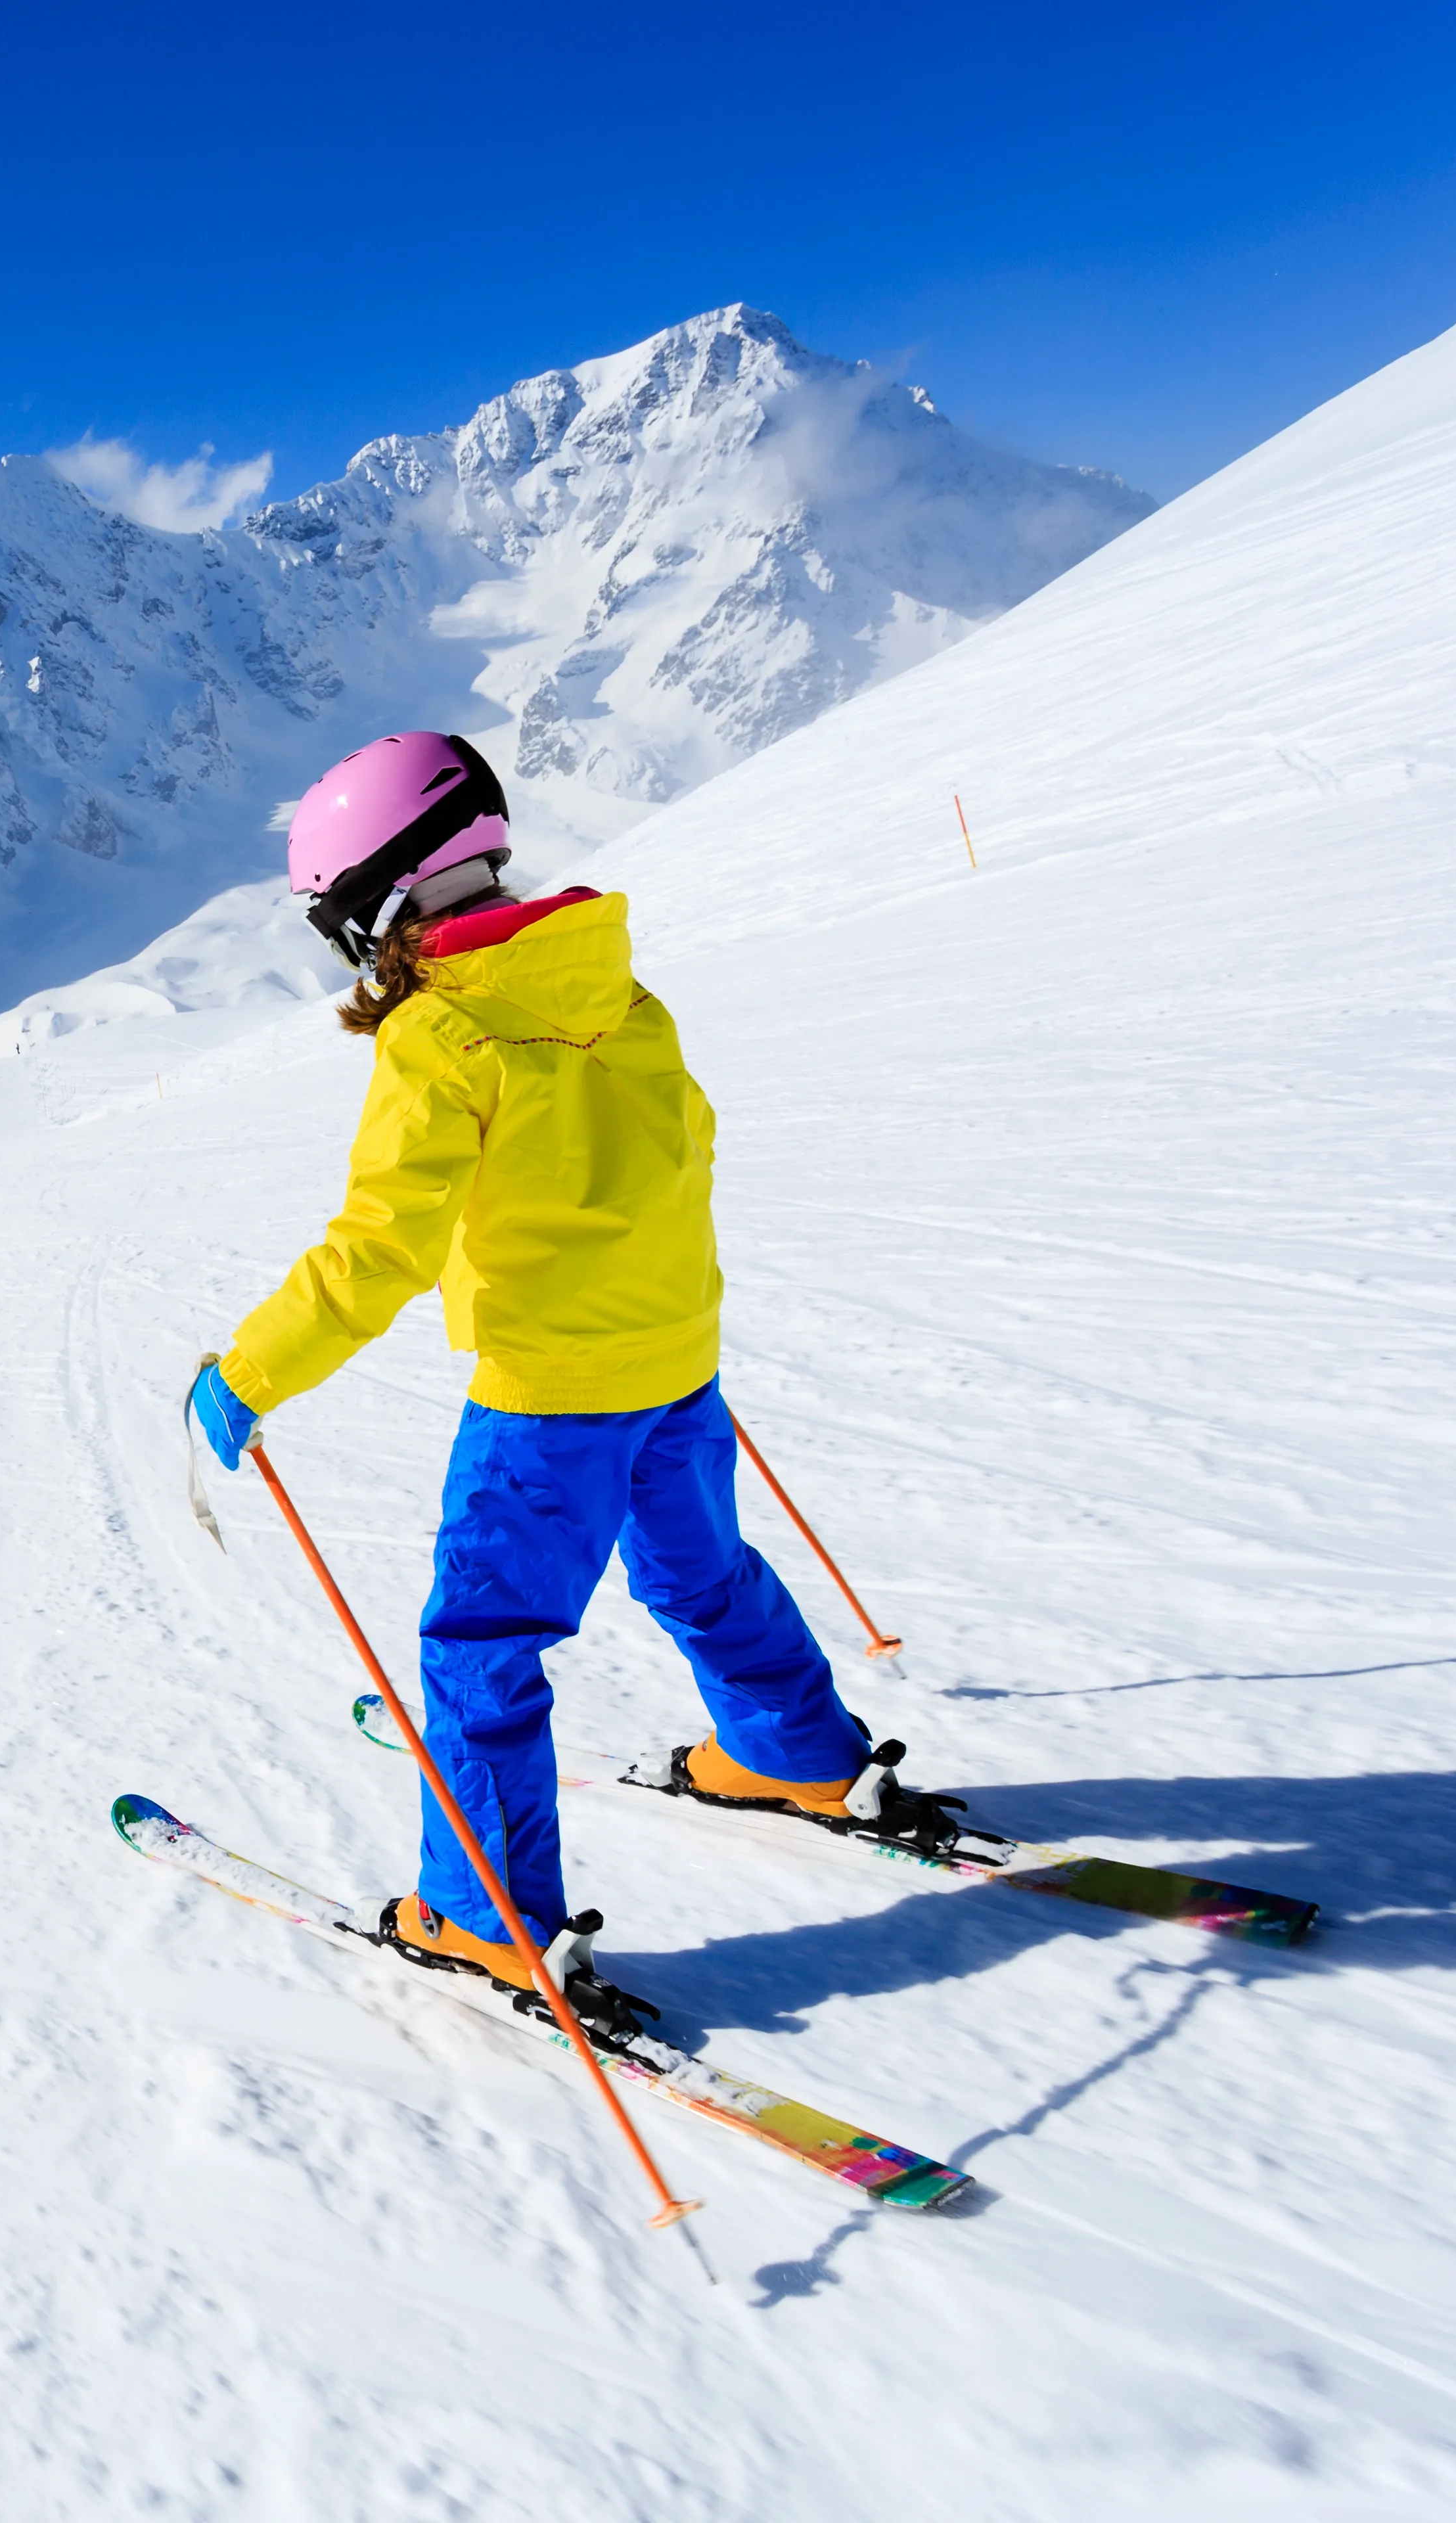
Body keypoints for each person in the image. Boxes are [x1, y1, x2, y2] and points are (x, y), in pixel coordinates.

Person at [187, 732, 945, 2002]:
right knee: (702, 1570)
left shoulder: (442, 1036)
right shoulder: (616, 989)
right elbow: (682, 1156)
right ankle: (796, 1750)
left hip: (548, 1402)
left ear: (378, 898)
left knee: (482, 1645)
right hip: (674, 1365)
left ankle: (483, 1911)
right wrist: (658, 1317)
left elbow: (381, 1250)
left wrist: (249, 1374)